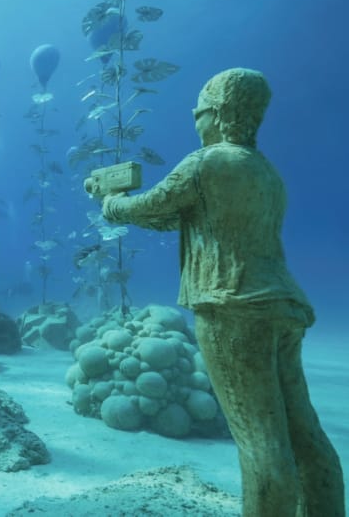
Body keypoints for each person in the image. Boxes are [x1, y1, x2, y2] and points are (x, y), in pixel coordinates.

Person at [100, 68, 344, 516]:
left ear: (217, 113)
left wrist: (112, 205)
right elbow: (190, 218)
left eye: (199, 112)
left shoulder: (205, 162)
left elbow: (153, 205)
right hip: (283, 305)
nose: (195, 121)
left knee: (260, 442)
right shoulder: (266, 172)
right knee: (303, 430)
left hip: (231, 307)